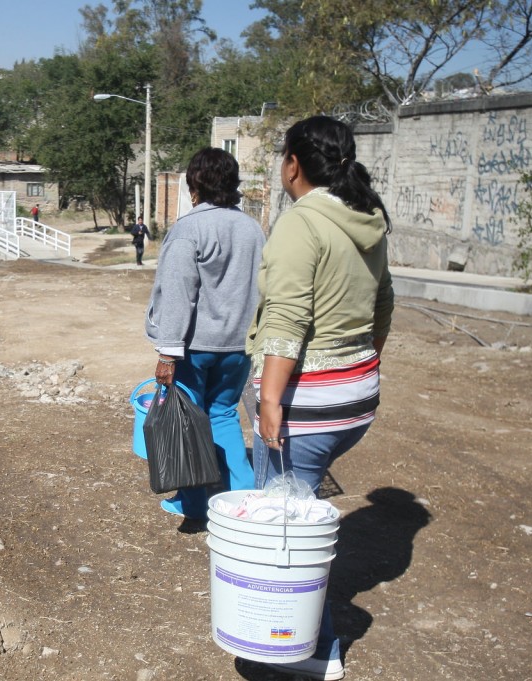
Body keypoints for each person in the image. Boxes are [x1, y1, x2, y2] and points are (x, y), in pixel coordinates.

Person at [248, 115, 393, 681]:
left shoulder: (301, 222)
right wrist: (362, 368)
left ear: (293, 164)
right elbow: (384, 305)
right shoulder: (369, 217)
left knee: (285, 531)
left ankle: (307, 648)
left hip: (306, 405)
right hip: (355, 399)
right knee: (297, 515)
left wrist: (269, 403)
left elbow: (286, 319)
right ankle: (298, 638)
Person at [145, 147, 265, 519]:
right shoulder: (252, 229)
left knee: (188, 424)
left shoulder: (189, 229)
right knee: (223, 414)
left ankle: (192, 504)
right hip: (239, 345)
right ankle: (245, 498)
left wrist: (167, 353)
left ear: (194, 184)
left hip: (194, 348)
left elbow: (179, 294)